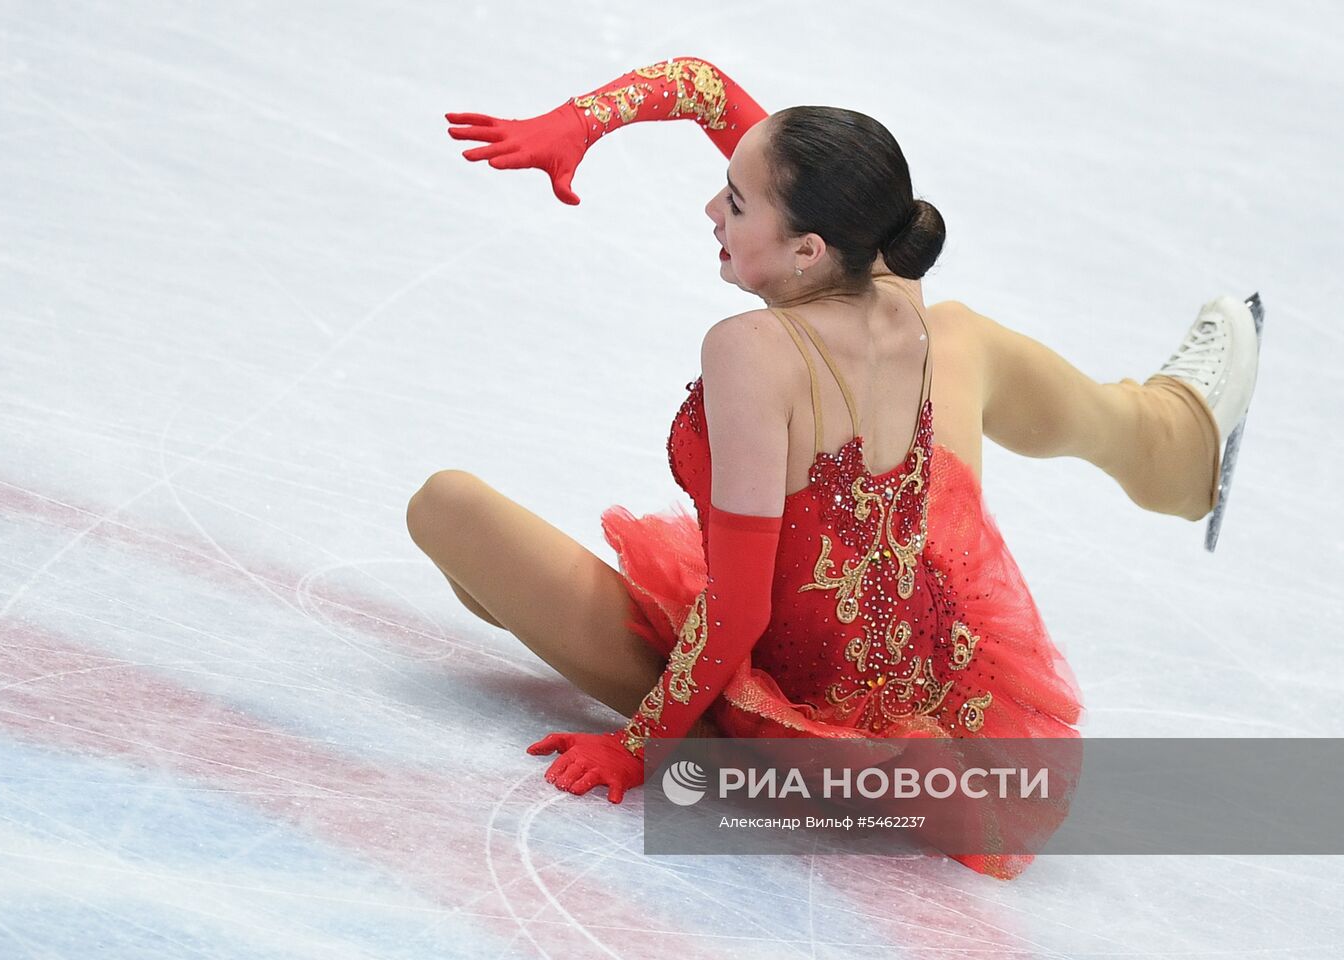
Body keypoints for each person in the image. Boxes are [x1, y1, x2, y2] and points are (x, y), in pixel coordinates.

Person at [411, 57, 1262, 880]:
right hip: (923, 657)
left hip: (792, 707)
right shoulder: (887, 270)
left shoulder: (749, 351)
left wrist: (637, 751)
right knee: (960, 334)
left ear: (809, 250)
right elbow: (707, 89)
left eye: (737, 205)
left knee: (447, 513)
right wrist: (578, 125)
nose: (712, 207)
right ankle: (1172, 445)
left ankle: (763, 769)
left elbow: (740, 611)